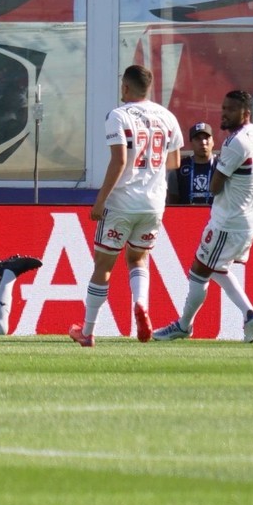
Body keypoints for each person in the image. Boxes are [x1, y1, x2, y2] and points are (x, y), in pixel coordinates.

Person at [69, 64, 184, 347]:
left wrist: (100, 200)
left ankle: (88, 331)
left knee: (103, 266)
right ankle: (142, 305)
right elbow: (175, 163)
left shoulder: (118, 116)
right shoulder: (168, 117)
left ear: (126, 87)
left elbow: (119, 161)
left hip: (122, 202)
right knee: (138, 259)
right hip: (154, 203)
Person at [155, 91, 253, 343]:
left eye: (230, 109)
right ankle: (250, 315)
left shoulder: (235, 143)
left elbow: (215, 187)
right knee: (218, 268)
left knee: (198, 271)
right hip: (248, 218)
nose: (224, 113)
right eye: (223, 107)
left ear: (246, 113)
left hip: (229, 221)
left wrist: (221, 175)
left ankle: (184, 326)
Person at [171, 121, 220, 205]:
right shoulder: (180, 167)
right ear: (191, 143)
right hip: (187, 216)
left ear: (213, 141)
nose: (203, 142)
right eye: (198, 139)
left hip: (216, 216)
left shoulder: (222, 166)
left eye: (207, 138)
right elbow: (172, 201)